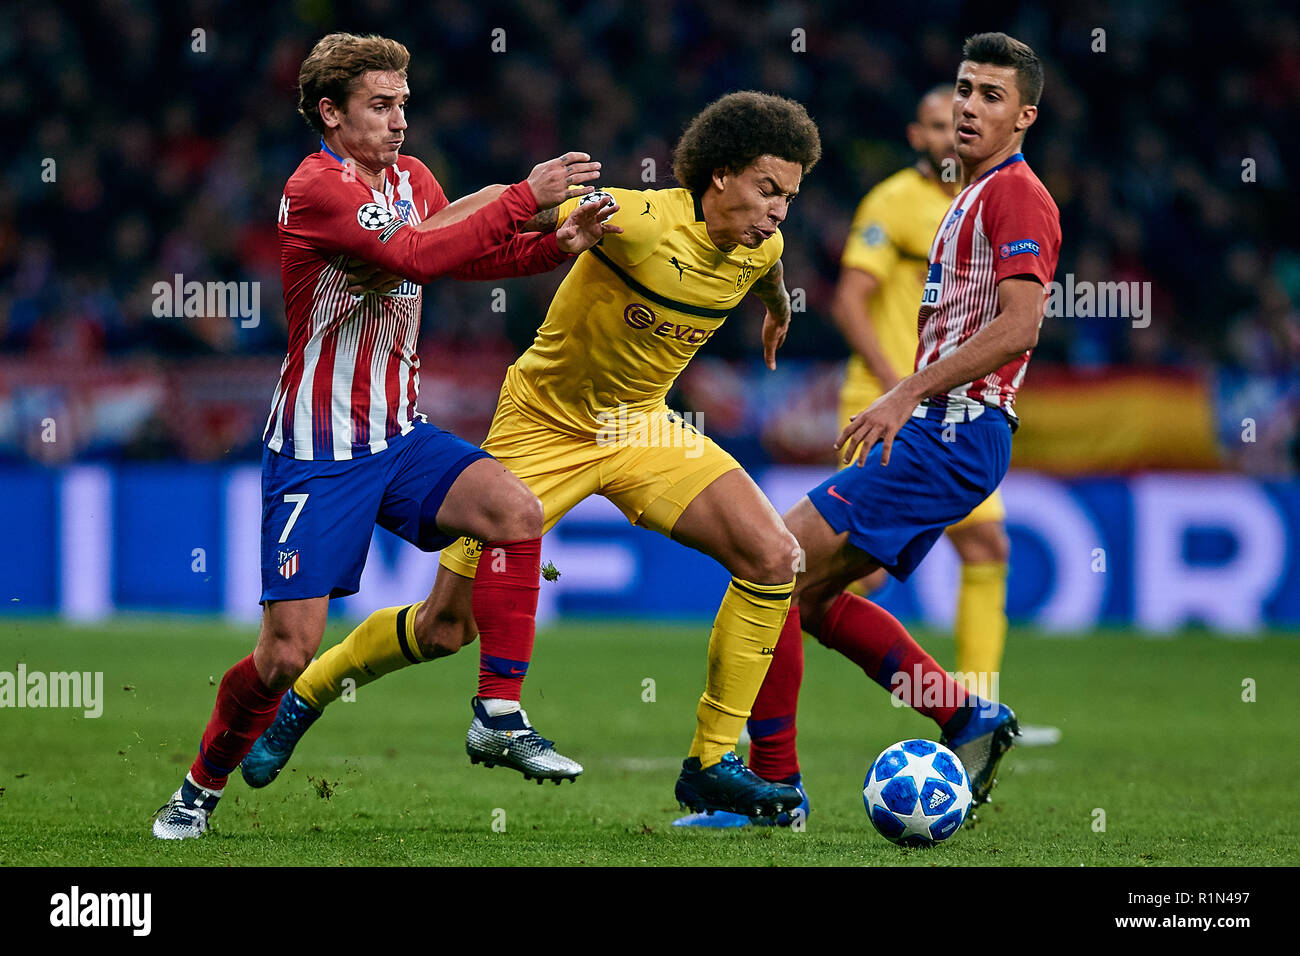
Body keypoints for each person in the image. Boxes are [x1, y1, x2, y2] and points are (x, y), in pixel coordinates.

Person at [243, 91, 823, 819]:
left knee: (774, 559)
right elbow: (508, 210)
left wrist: (778, 307)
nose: (778, 213)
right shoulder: (638, 219)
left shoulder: (761, 246)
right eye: (769, 190)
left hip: (640, 428)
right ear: (720, 177)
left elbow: (767, 268)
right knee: (445, 628)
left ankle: (711, 761)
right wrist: (429, 238)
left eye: (790, 198)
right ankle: (307, 694)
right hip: (541, 428)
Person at [151, 32, 618, 839]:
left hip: (400, 435)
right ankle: (199, 785)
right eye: (380, 105)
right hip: (316, 449)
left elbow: (459, 257)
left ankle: (498, 712)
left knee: (515, 512)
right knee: (286, 656)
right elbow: (416, 255)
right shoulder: (315, 188)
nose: (400, 120)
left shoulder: (412, 178)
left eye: (404, 103)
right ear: (330, 113)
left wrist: (552, 245)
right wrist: (521, 196)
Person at [681, 32, 1061, 828]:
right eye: (964, 88)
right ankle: (964, 716)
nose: (968, 106)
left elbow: (1022, 325)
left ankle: (771, 790)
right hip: (950, 434)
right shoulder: (969, 191)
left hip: (950, 429)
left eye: (992, 96)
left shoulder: (1016, 196)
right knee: (808, 597)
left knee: (768, 567)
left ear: (1024, 115)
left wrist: (906, 393)